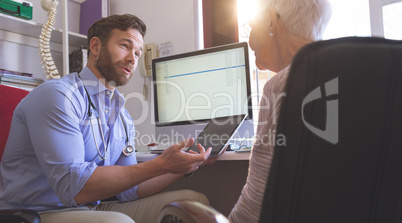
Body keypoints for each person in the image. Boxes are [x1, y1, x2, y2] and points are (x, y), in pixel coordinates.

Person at [0, 14, 215, 223]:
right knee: (117, 221)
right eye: (125, 46)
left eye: (138, 53)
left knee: (193, 203)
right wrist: (160, 164)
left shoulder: (122, 115)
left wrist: (184, 165)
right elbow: (72, 188)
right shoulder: (58, 96)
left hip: (92, 207)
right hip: (37, 213)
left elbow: (131, 190)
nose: (133, 58)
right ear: (95, 46)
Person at [228, 0, 332, 222]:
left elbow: (254, 211)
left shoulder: (284, 84)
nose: (249, 40)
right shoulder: (359, 76)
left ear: (270, 20)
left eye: (251, 26)